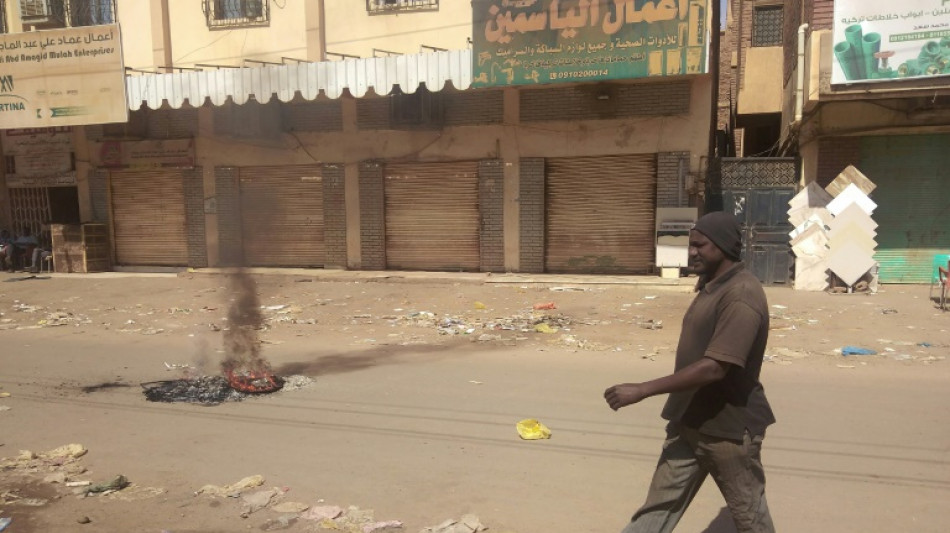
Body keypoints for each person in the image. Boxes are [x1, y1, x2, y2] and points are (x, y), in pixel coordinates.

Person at [604, 211, 775, 533]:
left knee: (750, 517)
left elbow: (714, 367)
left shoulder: (741, 295)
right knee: (658, 508)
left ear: (723, 247)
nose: (691, 252)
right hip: (689, 420)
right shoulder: (713, 286)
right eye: (690, 245)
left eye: (700, 246)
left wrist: (642, 389)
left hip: (727, 430)